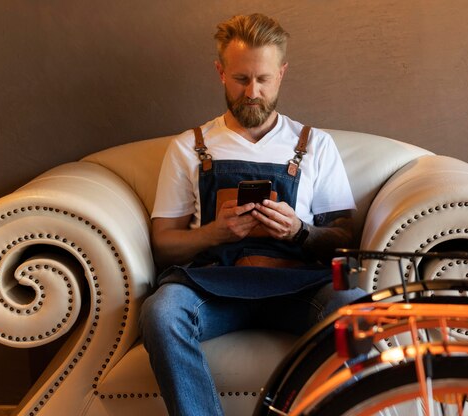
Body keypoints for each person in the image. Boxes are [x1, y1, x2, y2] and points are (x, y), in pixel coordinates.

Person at [139, 13, 364, 415]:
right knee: (161, 311)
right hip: (214, 289)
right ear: (220, 72)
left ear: (282, 74)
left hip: (298, 289)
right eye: (241, 79)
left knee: (355, 303)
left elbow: (346, 237)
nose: (252, 93)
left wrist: (299, 232)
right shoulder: (190, 147)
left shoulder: (315, 145)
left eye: (263, 79)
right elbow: (163, 242)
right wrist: (215, 233)